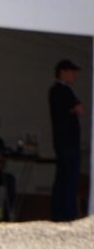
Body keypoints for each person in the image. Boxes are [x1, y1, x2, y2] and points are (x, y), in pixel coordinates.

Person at [49, 59, 84, 222]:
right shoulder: (60, 91)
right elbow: (76, 110)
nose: (74, 75)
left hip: (66, 143)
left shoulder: (62, 91)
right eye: (71, 71)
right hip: (67, 143)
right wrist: (73, 109)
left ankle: (61, 212)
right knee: (68, 178)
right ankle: (66, 213)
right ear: (63, 72)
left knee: (64, 177)